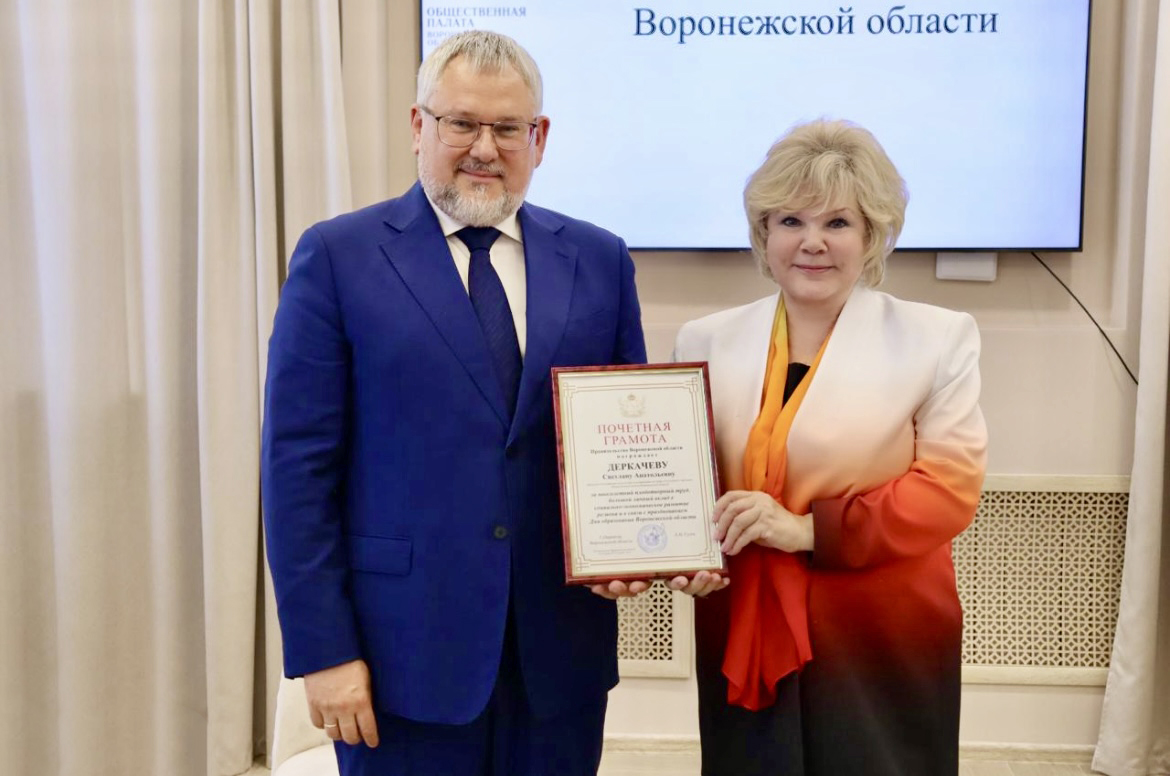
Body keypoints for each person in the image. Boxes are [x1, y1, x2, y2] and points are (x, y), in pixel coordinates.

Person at [261, 30, 646, 776]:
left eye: (508, 128)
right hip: (400, 659)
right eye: (461, 123)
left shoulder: (600, 259)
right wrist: (325, 650)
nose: (484, 149)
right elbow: (296, 471)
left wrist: (631, 548)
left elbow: (623, 434)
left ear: (539, 137)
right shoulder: (338, 256)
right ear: (419, 126)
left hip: (558, 660)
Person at [670, 119, 988, 775]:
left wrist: (807, 530)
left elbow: (947, 491)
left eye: (837, 222)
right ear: (764, 233)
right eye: (791, 220)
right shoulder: (703, 340)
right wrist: (687, 553)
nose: (812, 242)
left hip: (877, 634)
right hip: (741, 622)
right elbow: (688, 483)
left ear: (872, 235)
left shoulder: (936, 339)